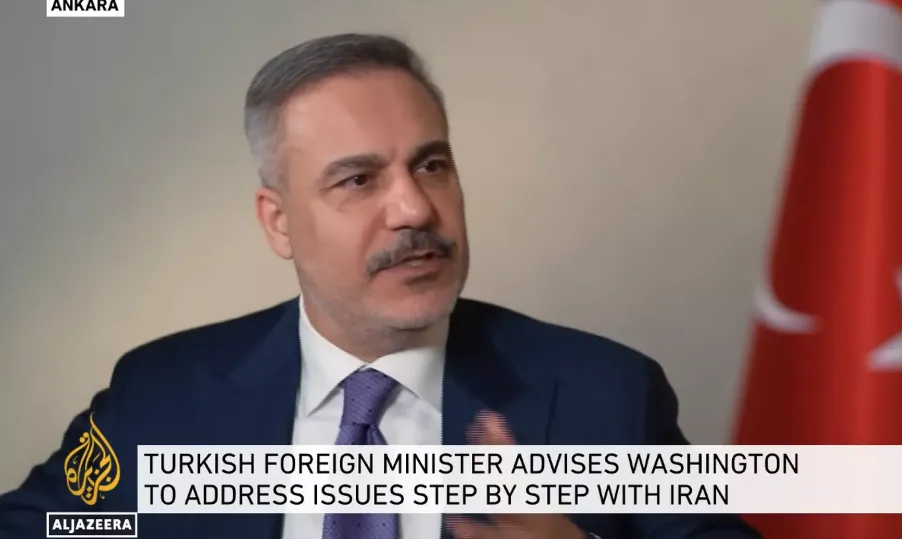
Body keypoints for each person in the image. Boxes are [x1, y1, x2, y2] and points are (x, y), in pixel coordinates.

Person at [0, 33, 761, 539]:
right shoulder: (163, 397)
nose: (414, 209)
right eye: (358, 179)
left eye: (431, 165)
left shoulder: (608, 395)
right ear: (279, 223)